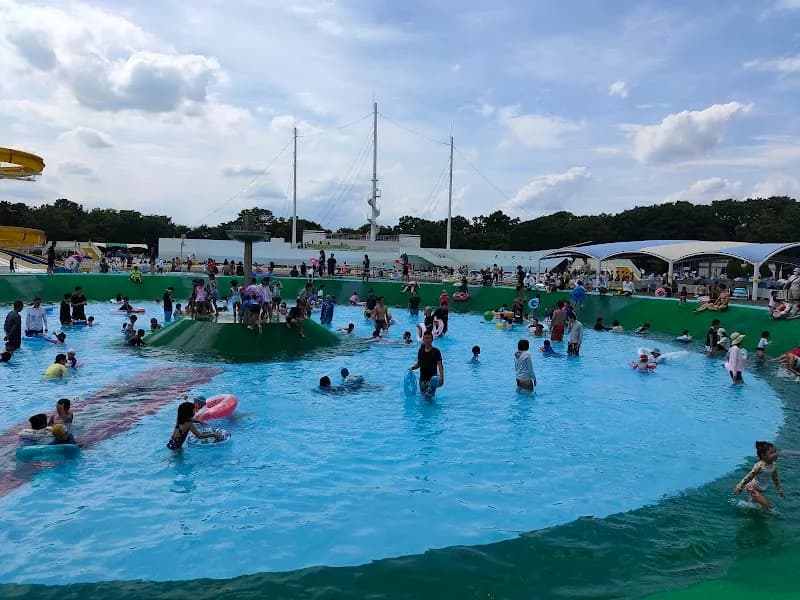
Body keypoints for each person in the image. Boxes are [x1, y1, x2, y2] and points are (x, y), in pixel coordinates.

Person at [733, 441, 784, 511]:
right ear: (763, 455)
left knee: (754, 506)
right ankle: (768, 518)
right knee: (767, 506)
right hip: (752, 488)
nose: (775, 454)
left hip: (760, 489)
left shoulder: (773, 465)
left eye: (775, 451)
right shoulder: (759, 466)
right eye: (772, 453)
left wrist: (779, 489)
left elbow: (775, 478)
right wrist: (739, 486)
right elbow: (749, 476)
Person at [409, 331, 444, 399]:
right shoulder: (421, 351)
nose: (427, 340)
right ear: (423, 339)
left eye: (429, 338)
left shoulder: (436, 351)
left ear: (432, 339)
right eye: (426, 338)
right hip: (422, 380)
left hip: (432, 380)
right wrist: (412, 368)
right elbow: (418, 364)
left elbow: (440, 366)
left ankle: (433, 408)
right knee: (424, 397)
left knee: (428, 397)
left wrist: (442, 378)